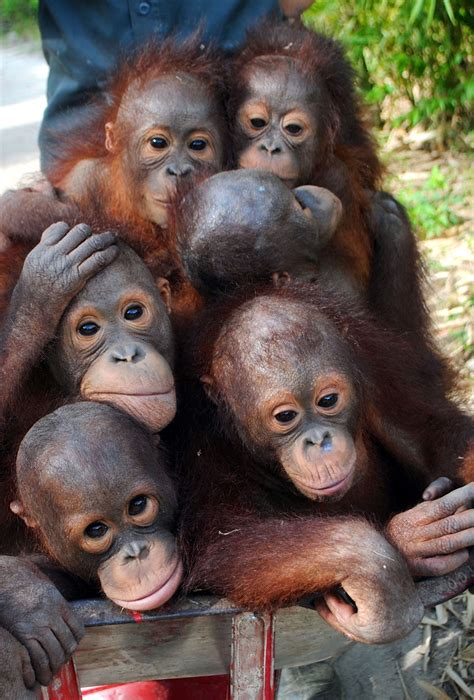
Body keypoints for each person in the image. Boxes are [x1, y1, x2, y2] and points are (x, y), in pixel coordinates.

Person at [38, 0, 312, 169]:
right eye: (158, 143)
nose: (176, 171)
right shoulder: (87, 174)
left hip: (236, 137)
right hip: (86, 134)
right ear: (114, 138)